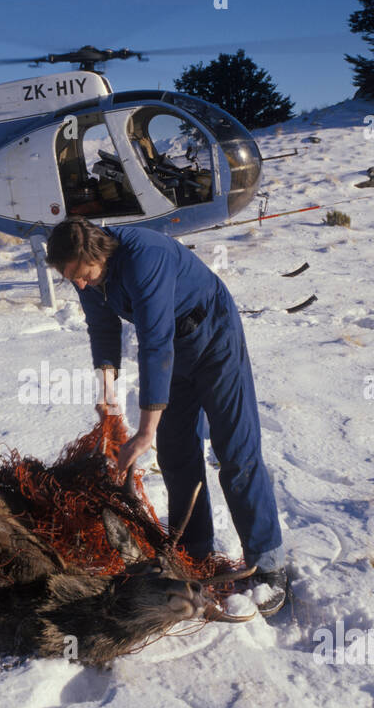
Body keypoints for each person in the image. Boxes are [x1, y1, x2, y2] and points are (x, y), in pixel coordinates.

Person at [45, 217, 291, 617]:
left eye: (81, 275)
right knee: (176, 455)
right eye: (71, 279)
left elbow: (154, 342)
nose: (80, 285)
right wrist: (108, 397)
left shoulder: (146, 256)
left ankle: (269, 564)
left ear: (96, 254)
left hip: (213, 338)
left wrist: (144, 431)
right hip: (172, 354)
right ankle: (194, 550)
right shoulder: (89, 277)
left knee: (236, 451)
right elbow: (103, 331)